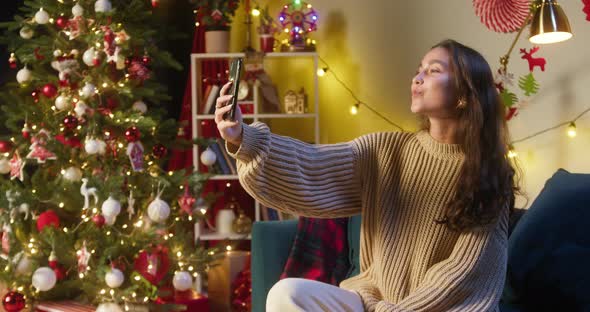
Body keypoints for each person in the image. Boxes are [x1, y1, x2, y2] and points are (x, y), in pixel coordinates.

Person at [213, 39, 520, 312]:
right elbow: (314, 165)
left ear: (464, 95)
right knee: (288, 294)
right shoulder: (384, 151)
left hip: (441, 308)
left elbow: (463, 272)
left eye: (433, 70)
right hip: (372, 302)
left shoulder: (490, 173)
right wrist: (244, 138)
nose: (417, 77)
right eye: (419, 69)